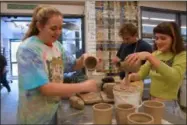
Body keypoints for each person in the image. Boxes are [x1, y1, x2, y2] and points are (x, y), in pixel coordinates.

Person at [16, 5, 97, 124]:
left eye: (60, 28)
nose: (58, 32)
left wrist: (84, 59)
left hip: (53, 109)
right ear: (39, 26)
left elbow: (73, 65)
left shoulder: (57, 46)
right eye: (53, 28)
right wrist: (84, 86)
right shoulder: (28, 50)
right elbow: (45, 89)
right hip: (35, 116)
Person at [125, 22, 186, 119]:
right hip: (151, 101)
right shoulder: (156, 54)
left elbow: (175, 76)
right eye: (156, 38)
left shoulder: (181, 55)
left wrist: (149, 56)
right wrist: (130, 76)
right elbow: (141, 74)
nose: (158, 42)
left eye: (163, 38)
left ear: (174, 39)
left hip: (168, 105)